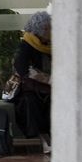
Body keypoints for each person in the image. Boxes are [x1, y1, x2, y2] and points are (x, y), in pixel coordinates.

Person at [12, 10, 52, 153]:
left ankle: (51, 136)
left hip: (50, 87)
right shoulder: (27, 44)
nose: (51, 30)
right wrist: (44, 78)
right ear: (40, 30)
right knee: (30, 101)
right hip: (32, 88)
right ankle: (42, 138)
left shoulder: (51, 44)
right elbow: (22, 69)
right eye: (48, 28)